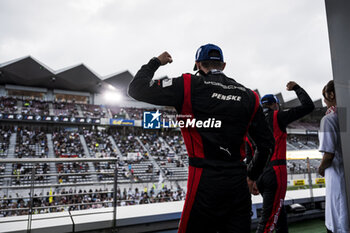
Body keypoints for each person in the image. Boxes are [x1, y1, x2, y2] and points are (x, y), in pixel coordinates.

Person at [128, 43, 274, 233]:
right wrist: (252, 176)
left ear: (197, 65)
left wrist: (156, 62)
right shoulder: (250, 96)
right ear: (223, 65)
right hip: (238, 183)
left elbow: (136, 88)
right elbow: (266, 145)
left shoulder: (188, 84)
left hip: (204, 182)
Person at [255, 82, 315, 233]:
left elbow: (250, 151)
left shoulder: (253, 122)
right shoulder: (278, 116)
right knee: (268, 222)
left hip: (259, 174)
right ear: (275, 105)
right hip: (275, 172)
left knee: (278, 214)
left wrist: (252, 177)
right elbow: (308, 106)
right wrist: (297, 88)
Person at [318, 80, 350, 233]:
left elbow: (328, 155)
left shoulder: (328, 119)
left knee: (338, 220)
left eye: (324, 95)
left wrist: (320, 168)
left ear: (331, 94)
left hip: (337, 177)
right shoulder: (345, 116)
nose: (324, 100)